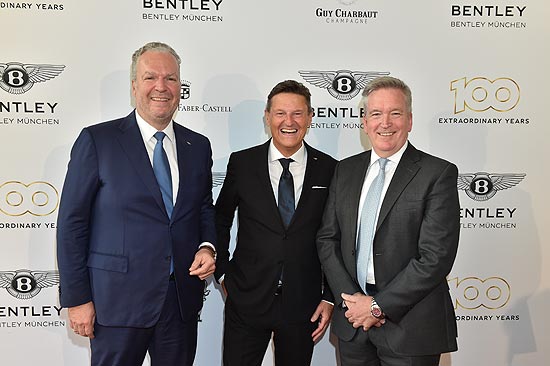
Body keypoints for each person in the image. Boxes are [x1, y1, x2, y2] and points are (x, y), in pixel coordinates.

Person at [56, 41, 217, 366]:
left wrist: (207, 246)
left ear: (180, 87)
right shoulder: (98, 140)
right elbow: (72, 223)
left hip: (179, 303)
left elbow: (203, 208)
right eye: (150, 78)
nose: (161, 86)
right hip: (116, 302)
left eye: (170, 78)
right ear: (134, 86)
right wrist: (77, 299)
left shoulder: (197, 146)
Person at [316, 76, 460, 366]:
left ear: (409, 120)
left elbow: (435, 256)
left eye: (395, 113)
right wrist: (353, 301)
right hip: (353, 323)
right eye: (376, 114)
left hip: (411, 327)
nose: (385, 123)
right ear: (365, 121)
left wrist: (378, 307)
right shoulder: (345, 170)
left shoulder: (437, 173)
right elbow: (328, 239)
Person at [215, 80, 336, 366]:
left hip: (302, 303)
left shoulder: (331, 168)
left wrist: (330, 296)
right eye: (280, 113)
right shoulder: (242, 163)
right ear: (268, 117)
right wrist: (222, 274)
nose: (289, 122)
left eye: (297, 113)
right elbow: (219, 218)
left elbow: (339, 235)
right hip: (246, 299)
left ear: (309, 117)